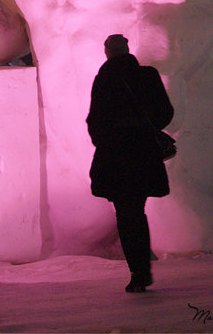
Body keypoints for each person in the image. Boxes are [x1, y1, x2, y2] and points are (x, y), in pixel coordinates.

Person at [86, 34, 174, 292]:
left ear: (107, 53)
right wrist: (145, 131)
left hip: (115, 155)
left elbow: (95, 120)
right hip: (144, 153)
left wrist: (106, 140)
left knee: (126, 214)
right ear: (127, 50)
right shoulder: (148, 76)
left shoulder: (104, 79)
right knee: (138, 209)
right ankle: (143, 268)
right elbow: (165, 113)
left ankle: (137, 272)